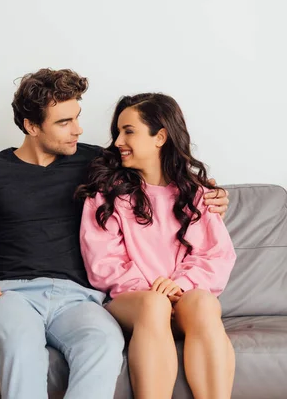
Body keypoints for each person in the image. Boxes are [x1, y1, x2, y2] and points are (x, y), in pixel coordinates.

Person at [0, 69, 230, 399]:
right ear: (31, 126)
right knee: (20, 346)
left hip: (80, 299)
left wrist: (212, 194)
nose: (78, 130)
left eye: (77, 118)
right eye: (64, 122)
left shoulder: (97, 163)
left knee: (103, 343)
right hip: (12, 294)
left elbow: (157, 169)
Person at [77, 93, 236, 399]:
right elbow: (103, 263)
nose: (118, 141)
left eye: (129, 131)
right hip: (136, 304)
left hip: (185, 300)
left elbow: (216, 256)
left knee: (204, 302)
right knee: (154, 305)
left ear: (160, 137)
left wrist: (179, 285)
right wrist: (154, 291)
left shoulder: (198, 194)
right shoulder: (105, 194)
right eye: (118, 132)